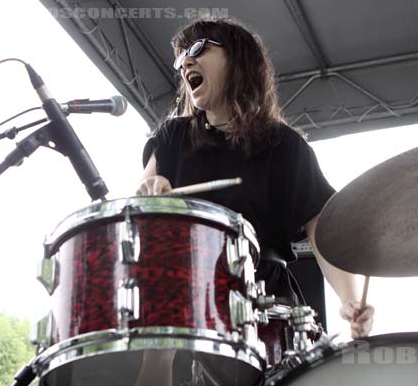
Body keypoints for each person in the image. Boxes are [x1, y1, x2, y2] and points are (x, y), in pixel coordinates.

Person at [137, 18, 373, 339]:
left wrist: (351, 301)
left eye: (198, 48)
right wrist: (149, 196)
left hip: (264, 301)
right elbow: (138, 208)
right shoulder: (172, 136)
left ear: (237, 58)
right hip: (183, 295)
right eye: (180, 58)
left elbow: (324, 227)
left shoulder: (284, 144)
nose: (185, 62)